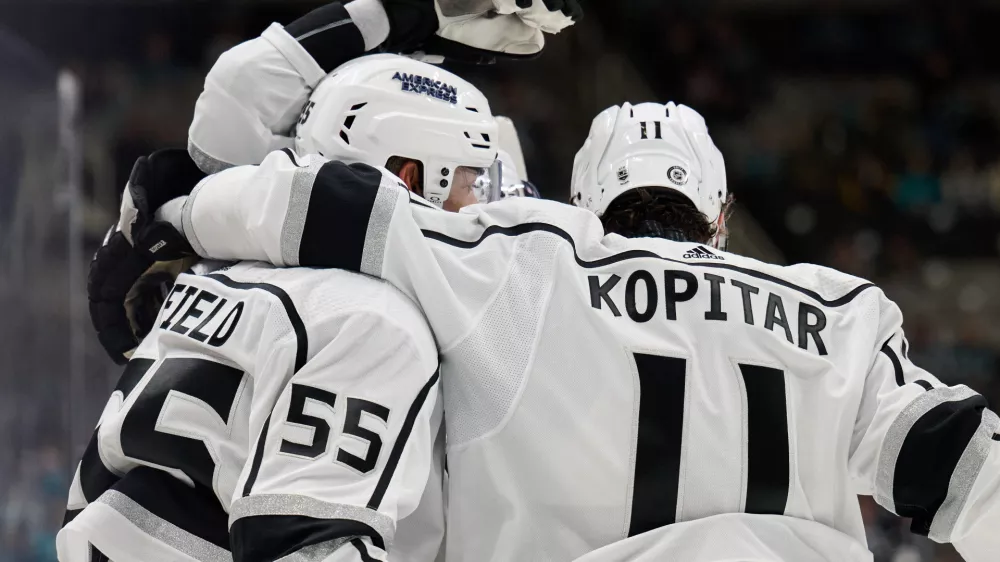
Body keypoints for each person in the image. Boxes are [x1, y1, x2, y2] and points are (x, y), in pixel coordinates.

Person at [108, 100, 1000, 562]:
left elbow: (330, 206)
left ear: (585, 199)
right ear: (720, 213)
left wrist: (177, 206)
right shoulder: (837, 312)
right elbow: (962, 465)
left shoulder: (529, 262)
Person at [59, 54, 514, 562]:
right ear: (411, 175)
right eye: (472, 183)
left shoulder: (215, 273)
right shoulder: (371, 319)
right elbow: (298, 542)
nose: (481, 209)